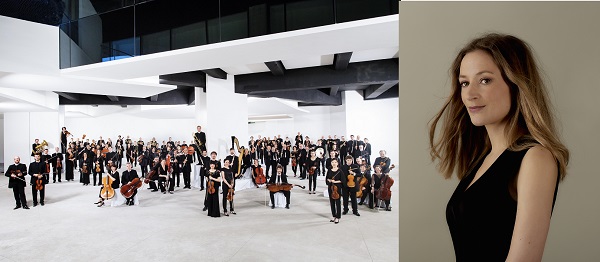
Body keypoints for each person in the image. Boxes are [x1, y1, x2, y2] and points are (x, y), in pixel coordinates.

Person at [428, 33, 569, 261]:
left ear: (516, 83)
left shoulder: (535, 157)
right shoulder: (484, 158)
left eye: (485, 80)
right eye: (464, 83)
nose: (470, 94)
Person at [326, 158, 343, 224]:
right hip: (330, 187)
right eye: (333, 162)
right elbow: (327, 178)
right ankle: (334, 216)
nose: (334, 163)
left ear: (337, 163)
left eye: (335, 162)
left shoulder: (340, 171)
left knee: (338, 202)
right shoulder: (329, 170)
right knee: (332, 202)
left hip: (337, 188)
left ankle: (338, 217)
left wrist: (335, 181)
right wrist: (329, 180)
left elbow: (342, 180)